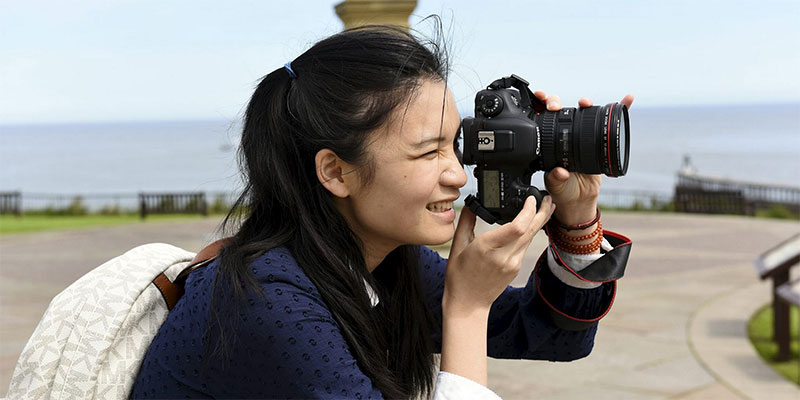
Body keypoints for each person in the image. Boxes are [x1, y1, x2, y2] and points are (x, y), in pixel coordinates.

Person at [131, 25, 633, 399]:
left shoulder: (382, 263)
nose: (459, 175)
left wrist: (577, 219)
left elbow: (551, 334)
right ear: (336, 172)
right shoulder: (268, 303)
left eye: (455, 146)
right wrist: (466, 307)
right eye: (427, 151)